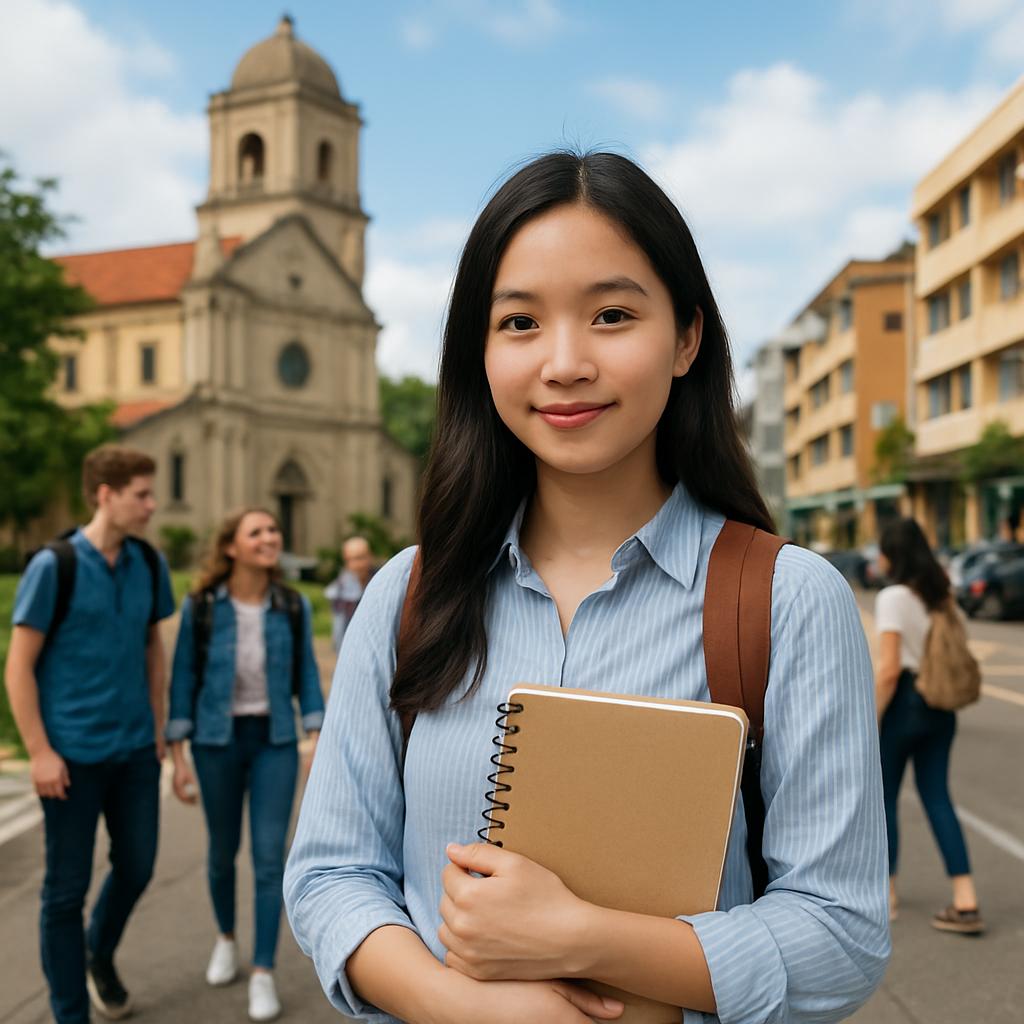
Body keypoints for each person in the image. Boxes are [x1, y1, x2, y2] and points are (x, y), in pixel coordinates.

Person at [284, 151, 889, 1024]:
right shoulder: (407, 595)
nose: (564, 363)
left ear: (687, 338)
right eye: (519, 323)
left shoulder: (787, 601)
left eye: (611, 315)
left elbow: (841, 933)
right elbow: (332, 874)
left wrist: (581, 937)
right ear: (480, 351)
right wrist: (467, 1009)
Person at [4, 445, 176, 1023]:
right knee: (65, 893)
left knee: (138, 866)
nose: (152, 505)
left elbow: (152, 648)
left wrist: (156, 726)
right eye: (141, 495)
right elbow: (18, 666)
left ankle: (97, 953)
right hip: (71, 757)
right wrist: (39, 752)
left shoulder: (148, 563)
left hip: (135, 751)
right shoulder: (55, 566)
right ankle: (69, 1012)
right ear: (106, 494)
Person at [166, 507, 324, 1022]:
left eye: (273, 529)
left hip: (273, 741)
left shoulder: (292, 605)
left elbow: (306, 674)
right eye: (256, 532)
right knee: (221, 852)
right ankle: (226, 938)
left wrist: (316, 736)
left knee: (269, 857)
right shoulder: (201, 607)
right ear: (231, 547)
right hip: (216, 742)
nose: (269, 537)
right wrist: (177, 755)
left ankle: (262, 971)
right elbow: (183, 679)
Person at [874, 517, 983, 935]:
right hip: (940, 706)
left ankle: (887, 894)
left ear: (893, 555)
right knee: (938, 796)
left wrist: (872, 718)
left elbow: (888, 669)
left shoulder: (893, 597)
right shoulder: (941, 597)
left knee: (885, 799)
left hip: (904, 703)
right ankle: (965, 898)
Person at [324, 536, 375, 653]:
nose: (356, 564)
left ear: (370, 556)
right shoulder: (339, 590)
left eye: (360, 558)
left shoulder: (383, 581)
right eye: (350, 559)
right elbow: (339, 632)